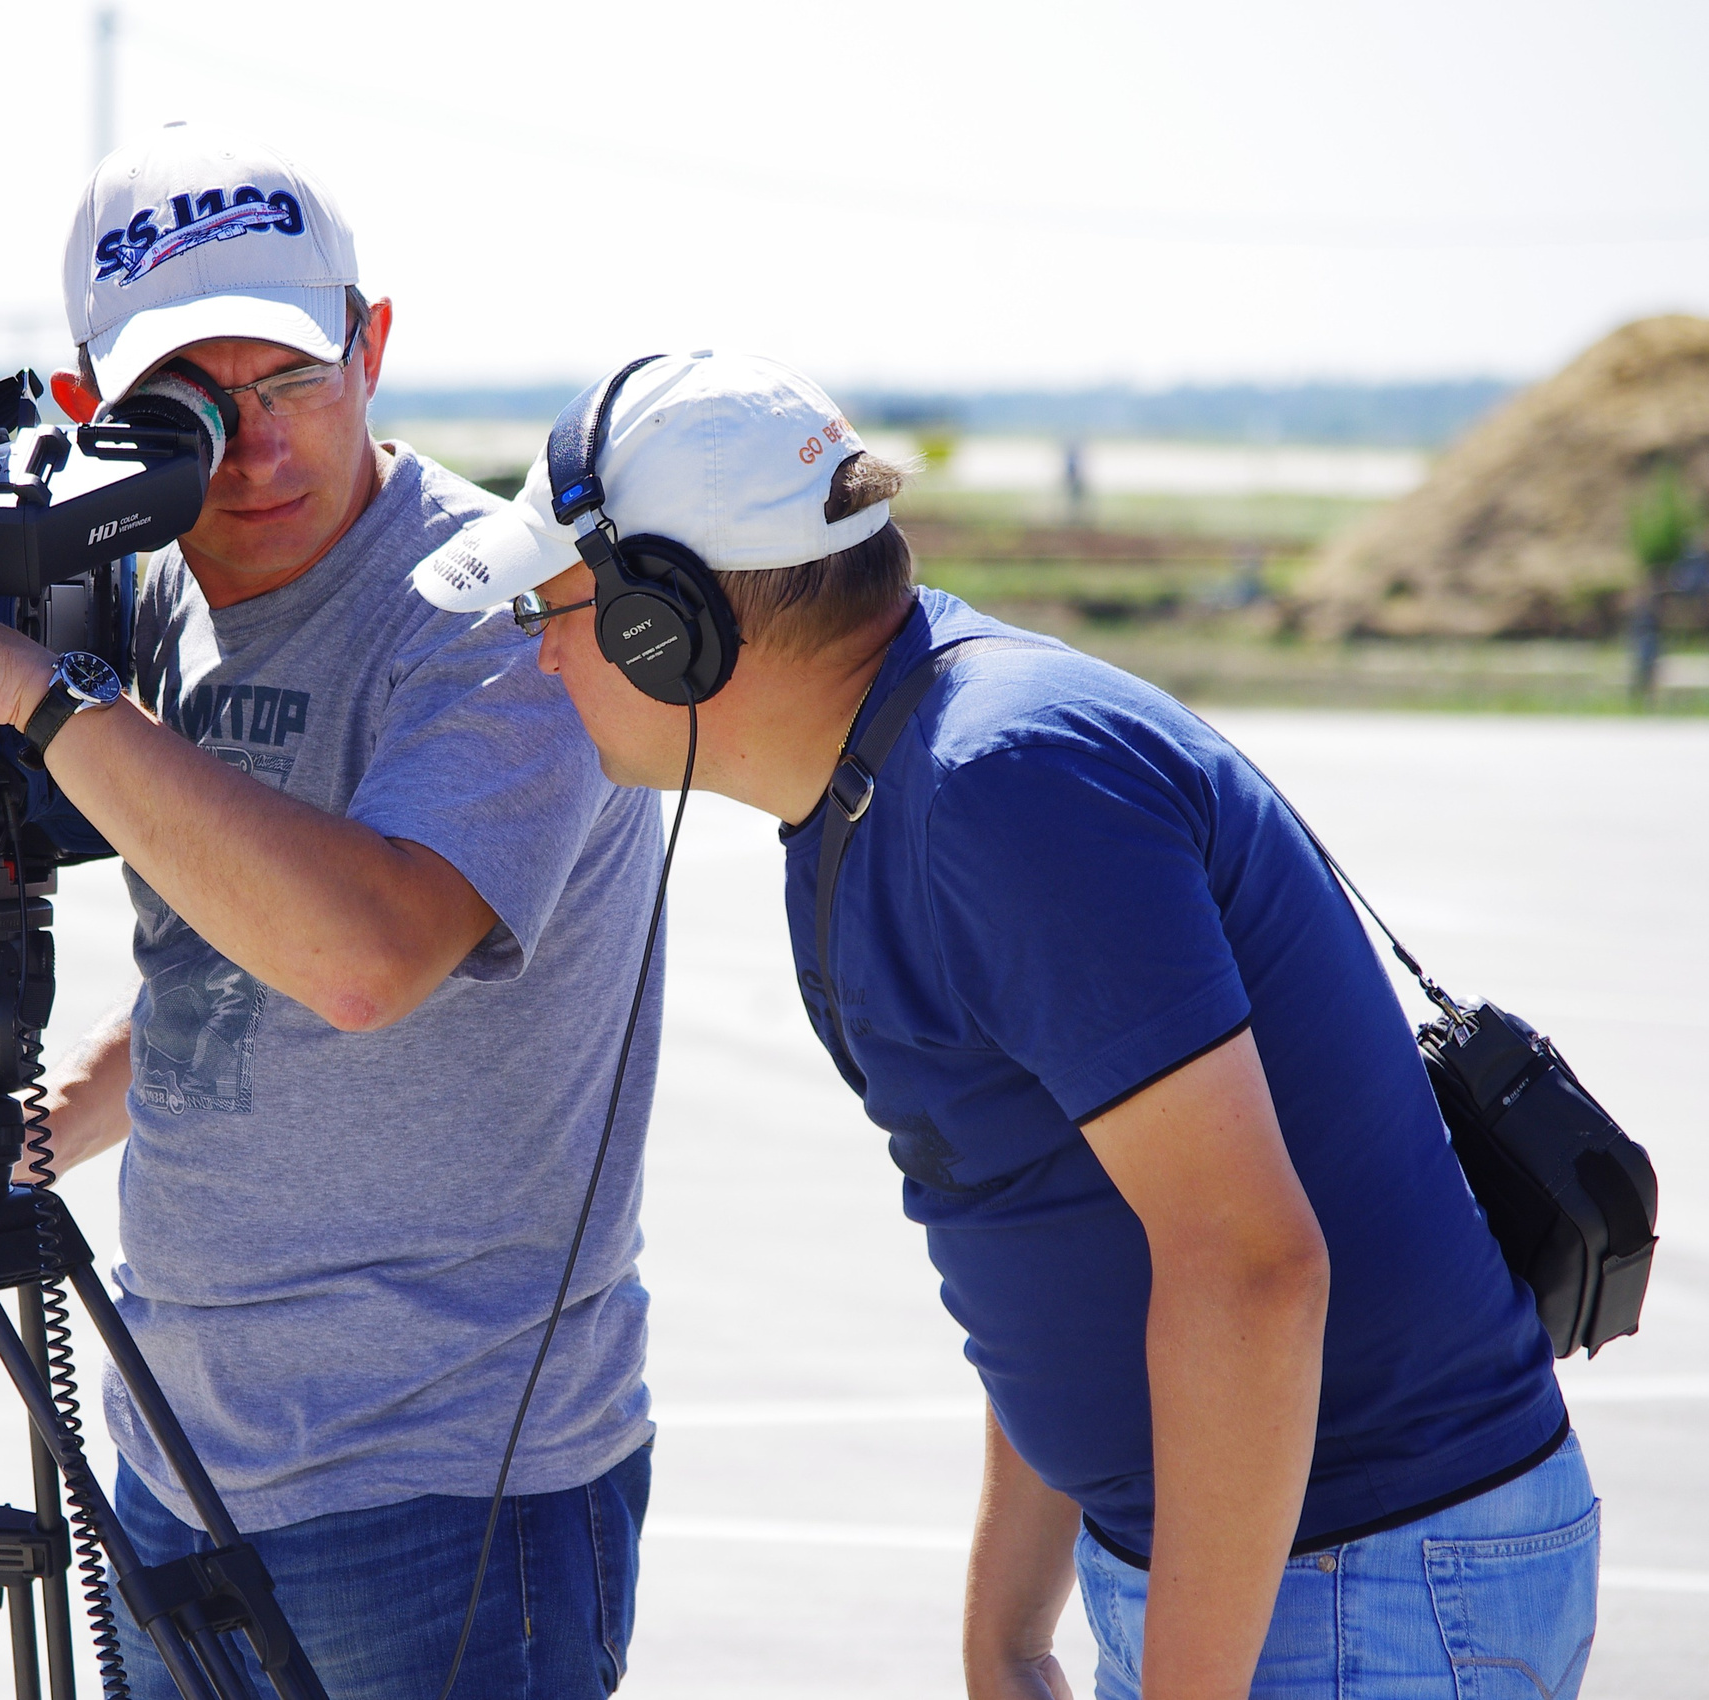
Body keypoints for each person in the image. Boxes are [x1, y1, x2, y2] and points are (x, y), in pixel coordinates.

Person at [410, 351, 1595, 1699]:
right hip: (1274, 1571)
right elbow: (1048, 1215)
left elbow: (1248, 1270)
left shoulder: (999, 790)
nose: (536, 651)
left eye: (548, 612)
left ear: (663, 624)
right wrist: (1008, 1632)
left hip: (1354, 1583)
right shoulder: (878, 774)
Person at [0, 124, 662, 1699]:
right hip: (179, 1462)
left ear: (373, 349)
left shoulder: (494, 607)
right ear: (87, 411)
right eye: (192, 410)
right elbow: (218, 964)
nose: (252, 454)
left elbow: (364, 956)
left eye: (293, 383)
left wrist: (21, 690)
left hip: (443, 1499)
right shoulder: (167, 591)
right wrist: (25, 1133)